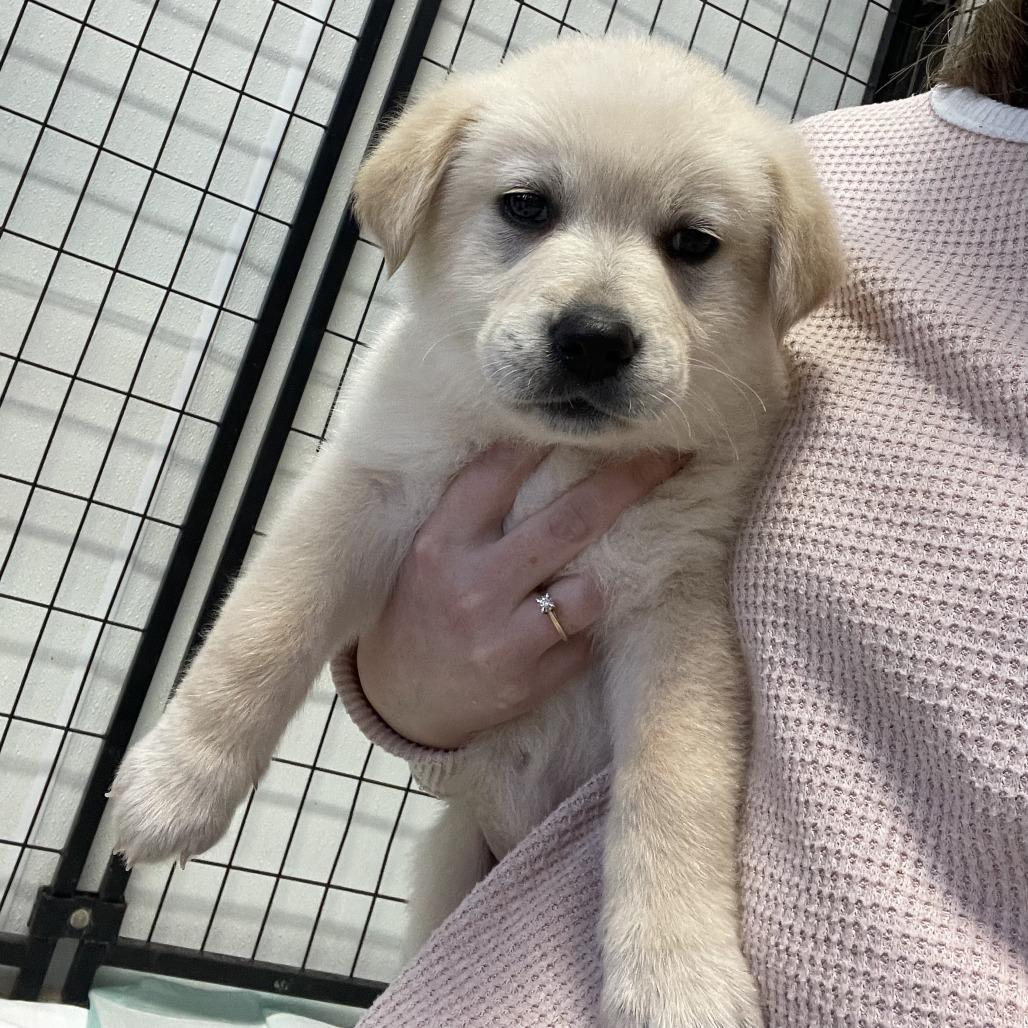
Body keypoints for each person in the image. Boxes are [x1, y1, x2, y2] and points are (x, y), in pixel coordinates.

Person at [333, 1, 1028, 1023]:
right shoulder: (810, 175)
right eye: (529, 208)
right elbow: (441, 547)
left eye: (685, 244)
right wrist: (415, 686)